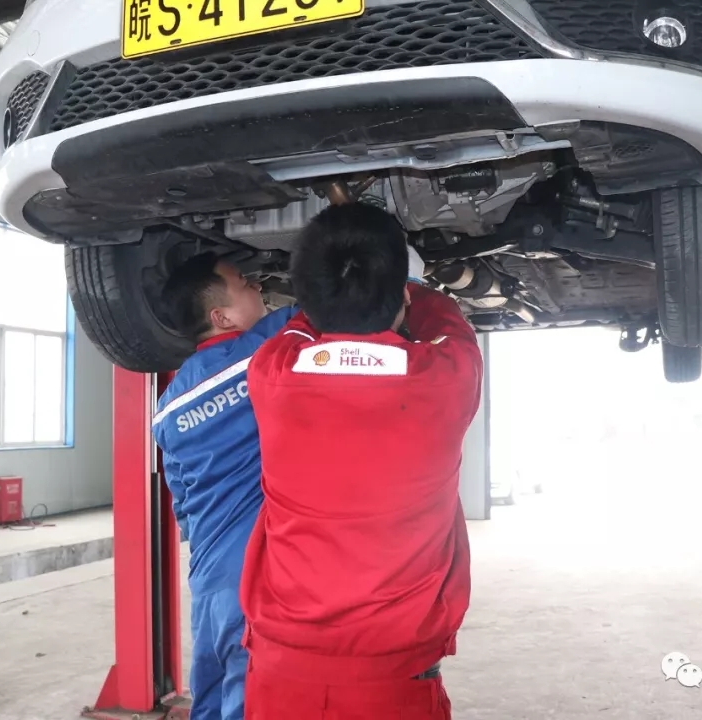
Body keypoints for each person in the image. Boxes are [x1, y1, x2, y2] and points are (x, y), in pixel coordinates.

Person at [238, 203, 484, 719]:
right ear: (402, 297)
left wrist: (393, 286)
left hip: (280, 680)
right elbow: (448, 320)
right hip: (393, 688)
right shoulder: (449, 374)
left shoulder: (271, 372)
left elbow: (302, 327)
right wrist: (410, 287)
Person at [150, 252, 296, 720]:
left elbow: (184, 503)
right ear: (221, 316)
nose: (258, 286)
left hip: (209, 578)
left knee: (209, 695)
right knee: (246, 697)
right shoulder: (260, 352)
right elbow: (325, 304)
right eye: (246, 284)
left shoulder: (167, 408)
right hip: (249, 577)